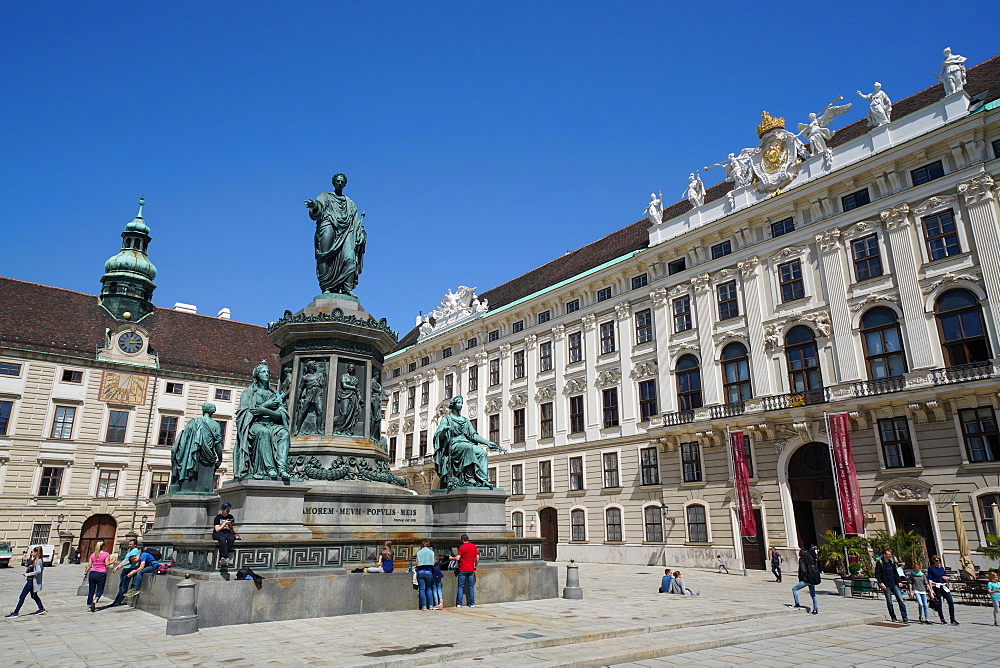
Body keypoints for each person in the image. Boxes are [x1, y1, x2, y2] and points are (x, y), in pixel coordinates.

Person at [305, 172, 367, 296]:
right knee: (324, 256)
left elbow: (356, 223)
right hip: (329, 225)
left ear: (345, 184)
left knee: (350, 258)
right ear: (333, 182)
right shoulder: (324, 196)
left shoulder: (350, 203)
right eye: (337, 181)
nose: (339, 183)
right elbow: (318, 209)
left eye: (342, 181)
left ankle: (347, 288)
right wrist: (315, 206)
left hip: (347, 231)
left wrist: (361, 234)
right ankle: (326, 286)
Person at [434, 396, 506, 490]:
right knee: (468, 448)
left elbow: (473, 436)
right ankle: (469, 478)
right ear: (453, 404)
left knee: (482, 453)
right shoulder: (447, 419)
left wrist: (487, 442)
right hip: (454, 445)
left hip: (465, 443)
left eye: (461, 403)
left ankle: (483, 480)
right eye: (459, 403)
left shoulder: (465, 420)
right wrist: (444, 430)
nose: (461, 405)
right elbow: (438, 435)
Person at [235, 363, 291, 480]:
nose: (267, 374)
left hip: (273, 425)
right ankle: (270, 468)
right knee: (263, 432)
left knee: (284, 433)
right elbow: (244, 414)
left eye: (268, 372)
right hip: (255, 425)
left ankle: (281, 468)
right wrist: (267, 406)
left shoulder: (274, 394)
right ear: (257, 375)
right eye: (263, 372)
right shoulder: (249, 393)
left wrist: (264, 410)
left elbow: (281, 415)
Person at [6, 546, 45, 617]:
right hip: (31, 580)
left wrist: (28, 574)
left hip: (31, 581)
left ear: (36, 553)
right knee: (34, 596)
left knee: (22, 596)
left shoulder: (38, 560)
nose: (31, 553)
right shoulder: (35, 560)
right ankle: (41, 608)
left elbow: (38, 571)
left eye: (32, 552)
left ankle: (15, 612)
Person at [875, 548, 909, 623]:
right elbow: (877, 574)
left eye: (890, 554)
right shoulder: (880, 563)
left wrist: (899, 581)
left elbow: (896, 573)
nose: (890, 555)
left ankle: (905, 617)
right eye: (888, 554)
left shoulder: (892, 562)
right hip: (886, 585)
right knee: (890, 602)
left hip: (894, 584)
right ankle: (893, 617)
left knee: (901, 600)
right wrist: (881, 583)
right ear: (884, 555)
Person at [928, 555, 959, 625]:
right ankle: (942, 619)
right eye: (936, 560)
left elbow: (944, 576)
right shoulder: (931, 568)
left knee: (950, 601)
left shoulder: (942, 568)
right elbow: (929, 579)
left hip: (943, 586)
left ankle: (952, 618)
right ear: (934, 561)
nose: (938, 562)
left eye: (939, 560)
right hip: (936, 586)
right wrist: (931, 590)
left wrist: (947, 578)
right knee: (939, 603)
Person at [332, 362, 363, 435]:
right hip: (344, 395)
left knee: (351, 414)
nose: (351, 368)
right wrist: (353, 387)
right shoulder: (344, 376)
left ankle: (347, 430)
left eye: (352, 367)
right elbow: (344, 385)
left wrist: (359, 397)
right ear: (347, 368)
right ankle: (338, 428)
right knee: (344, 413)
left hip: (353, 396)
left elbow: (358, 389)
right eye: (350, 367)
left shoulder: (355, 379)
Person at [83, 541, 113, 612]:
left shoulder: (93, 555)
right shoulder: (106, 554)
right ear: (103, 547)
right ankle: (95, 600)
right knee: (100, 589)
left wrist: (85, 574)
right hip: (101, 573)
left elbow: (89, 565)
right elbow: (107, 564)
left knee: (91, 591)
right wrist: (113, 561)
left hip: (92, 573)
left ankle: (89, 607)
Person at [450, 534, 479, 607]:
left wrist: (451, 558)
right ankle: (471, 603)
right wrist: (475, 565)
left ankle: (459, 603)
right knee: (471, 587)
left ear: (462, 540)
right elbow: (477, 557)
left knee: (460, 586)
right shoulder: (473, 546)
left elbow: (457, 558)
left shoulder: (462, 547)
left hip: (463, 568)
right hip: (471, 569)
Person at [110, 538, 140, 606]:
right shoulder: (130, 550)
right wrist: (118, 566)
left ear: (135, 545)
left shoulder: (135, 551)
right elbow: (125, 559)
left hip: (129, 569)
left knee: (124, 586)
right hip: (125, 569)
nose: (129, 545)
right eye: (129, 544)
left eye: (130, 544)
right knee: (121, 586)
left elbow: (131, 561)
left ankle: (118, 601)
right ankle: (116, 601)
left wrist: (122, 565)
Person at [791, 548, 821, 614]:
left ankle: (797, 603)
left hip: (806, 580)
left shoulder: (802, 560)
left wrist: (802, 577)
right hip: (812, 579)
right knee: (813, 595)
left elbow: (803, 570)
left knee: (794, 589)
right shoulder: (810, 560)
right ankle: (815, 609)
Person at [213, 502, 238, 568]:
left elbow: (232, 528)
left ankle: (223, 557)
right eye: (226, 510)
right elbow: (217, 529)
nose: (227, 511)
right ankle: (226, 557)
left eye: (229, 510)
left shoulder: (230, 517)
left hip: (227, 532)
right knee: (222, 539)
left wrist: (230, 524)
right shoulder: (218, 517)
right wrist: (224, 523)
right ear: (223, 509)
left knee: (231, 539)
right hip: (218, 533)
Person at [415, 540, 436, 611]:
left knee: (422, 589)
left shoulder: (419, 552)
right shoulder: (431, 552)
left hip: (420, 571)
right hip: (429, 571)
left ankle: (423, 606)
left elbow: (417, 564)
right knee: (429, 588)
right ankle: (430, 605)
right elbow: (433, 563)